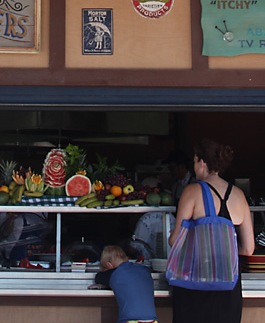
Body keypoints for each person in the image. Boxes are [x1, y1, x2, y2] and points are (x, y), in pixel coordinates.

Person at [170, 138, 254, 323]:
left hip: (194, 285)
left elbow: (175, 240)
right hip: (228, 290)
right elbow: (248, 249)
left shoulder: (192, 191)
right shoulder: (239, 195)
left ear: (202, 162)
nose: (193, 167)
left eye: (194, 162)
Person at [92, 243, 157, 323]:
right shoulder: (145, 270)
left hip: (130, 320)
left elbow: (98, 277)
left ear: (108, 265)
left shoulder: (114, 273)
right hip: (153, 320)